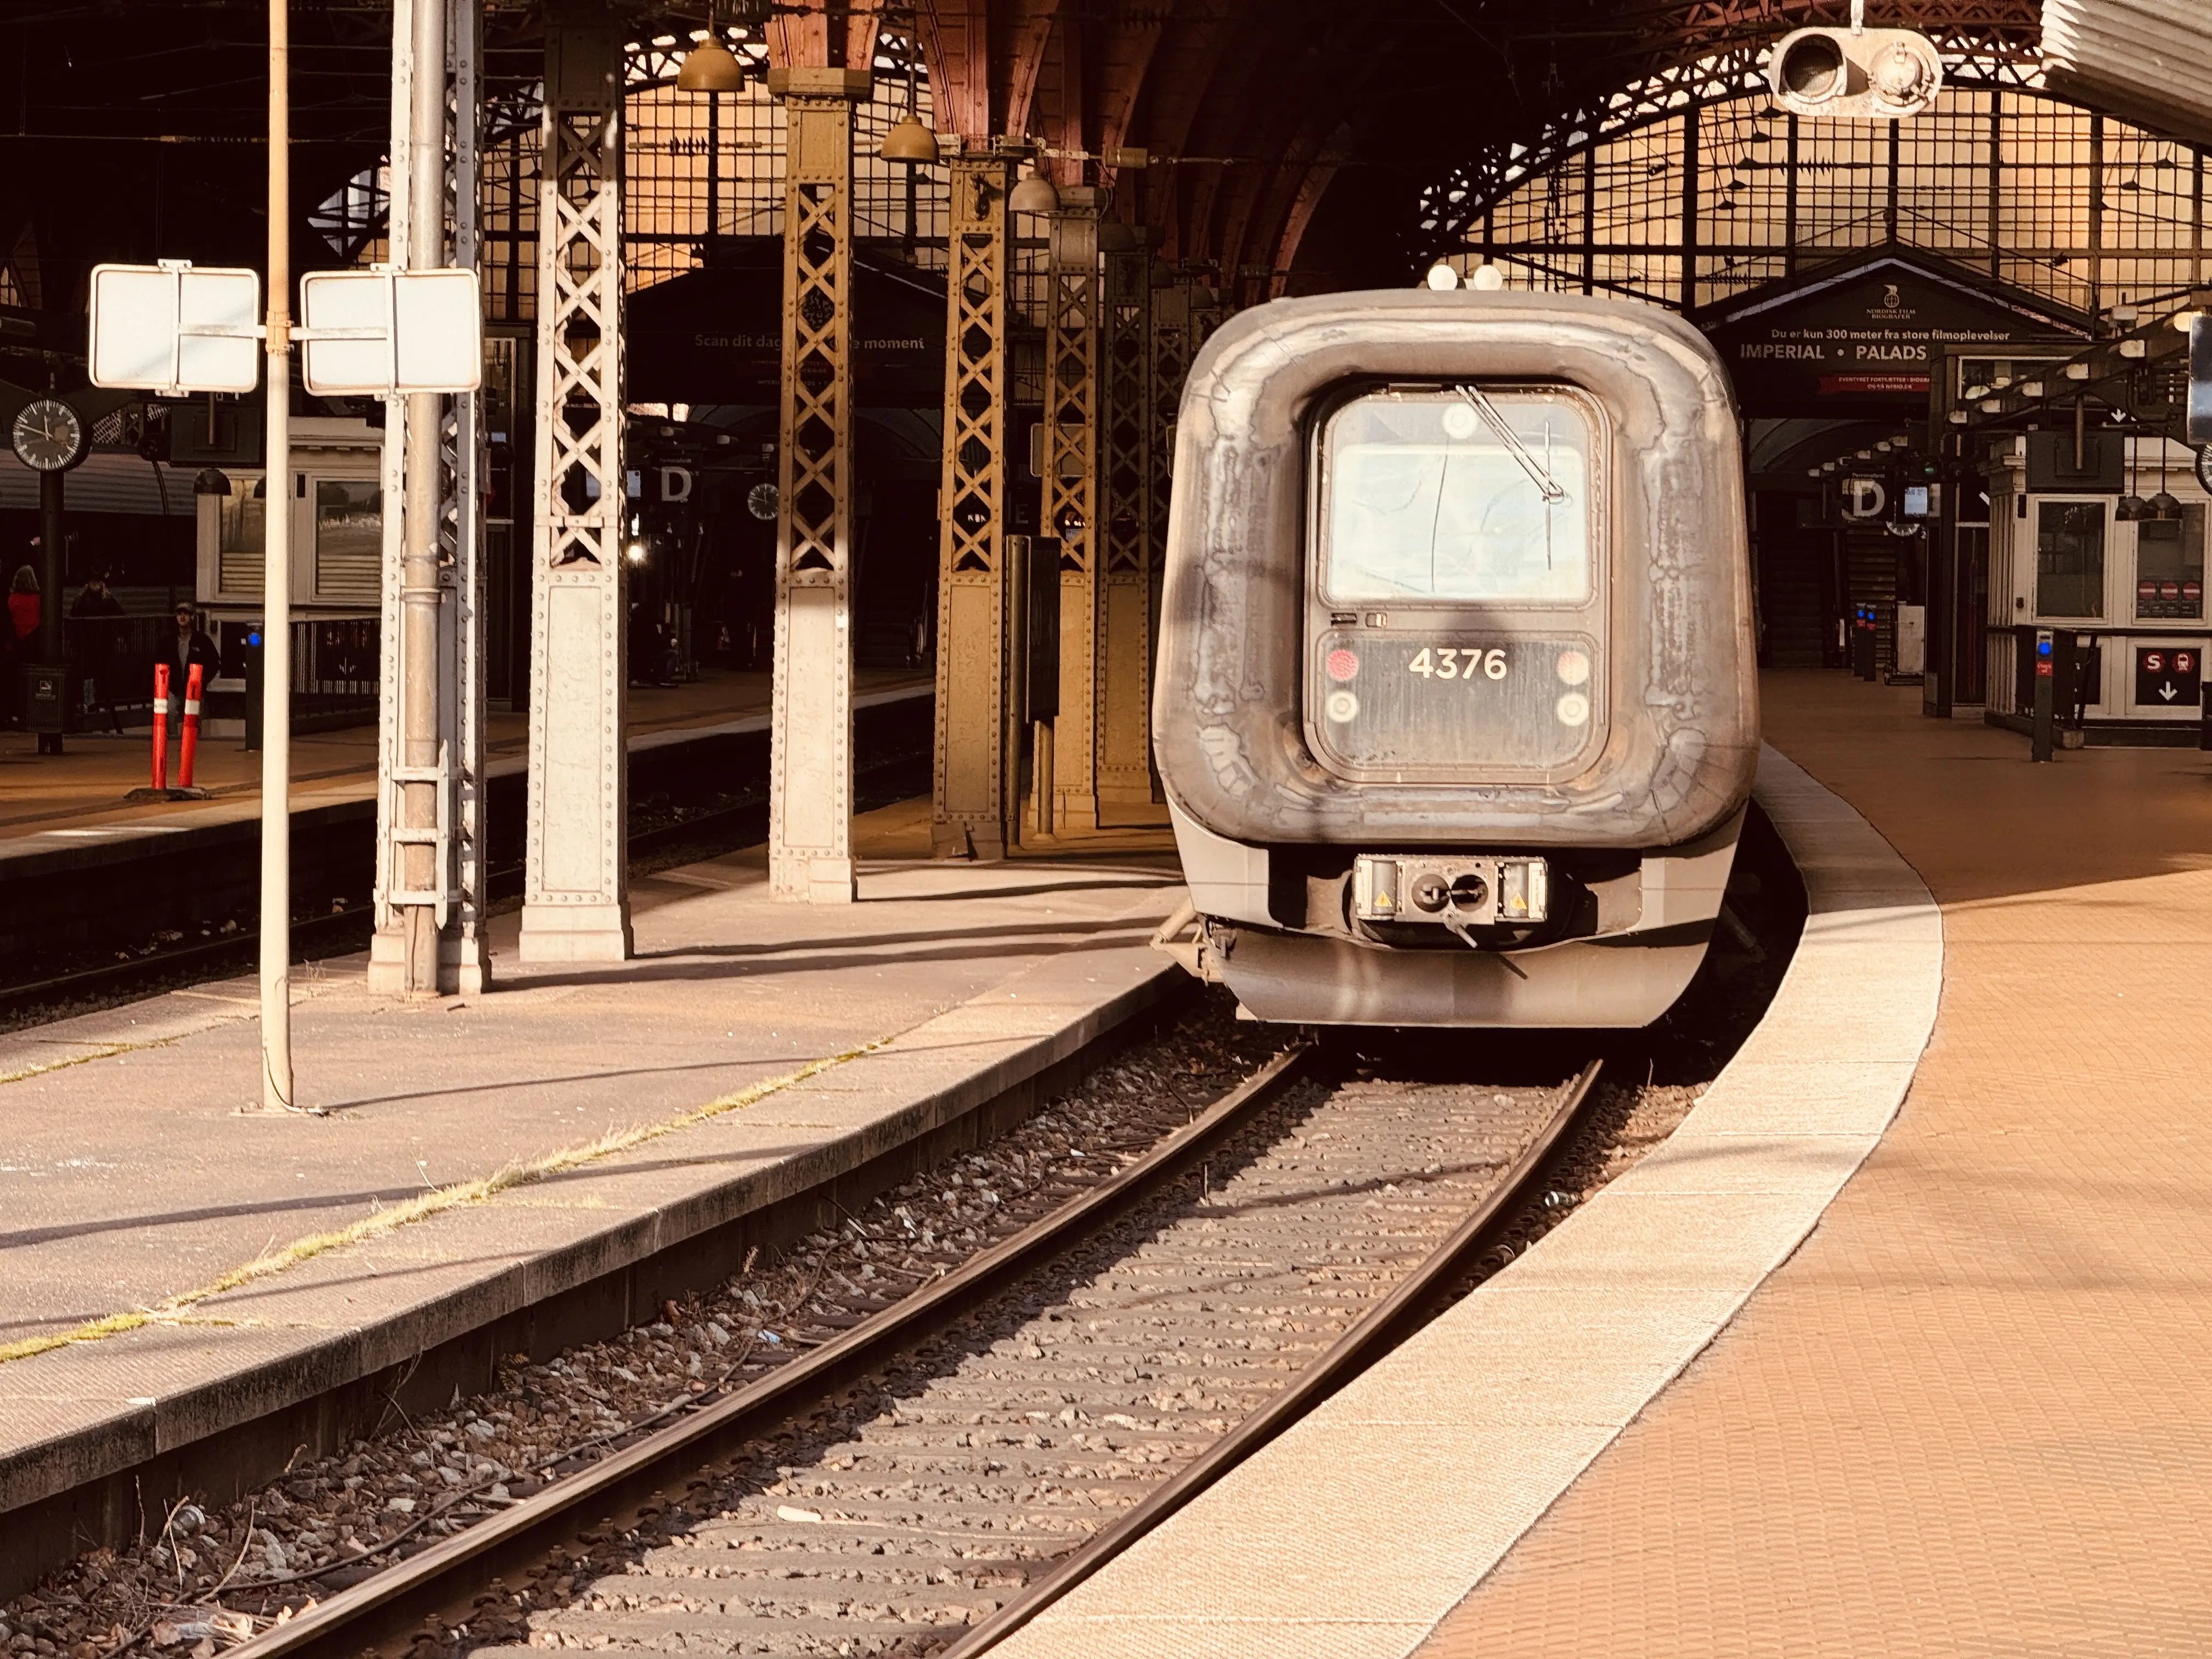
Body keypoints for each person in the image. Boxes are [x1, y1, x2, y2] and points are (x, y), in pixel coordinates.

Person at [70, 572, 127, 734]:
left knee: (98, 675)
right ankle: (91, 705)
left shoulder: (99, 599)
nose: (95, 585)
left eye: (97, 582)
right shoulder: (88, 599)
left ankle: (95, 705)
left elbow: (120, 615)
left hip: (101, 644)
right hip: (89, 644)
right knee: (89, 674)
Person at [161, 603, 219, 754]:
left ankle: (193, 749)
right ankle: (173, 747)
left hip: (194, 688)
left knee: (194, 720)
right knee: (170, 714)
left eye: (186, 614)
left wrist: (202, 680)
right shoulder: (168, 640)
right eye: (179, 613)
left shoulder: (202, 640)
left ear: (192, 617)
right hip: (173, 686)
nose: (182, 617)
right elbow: (158, 661)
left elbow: (215, 663)